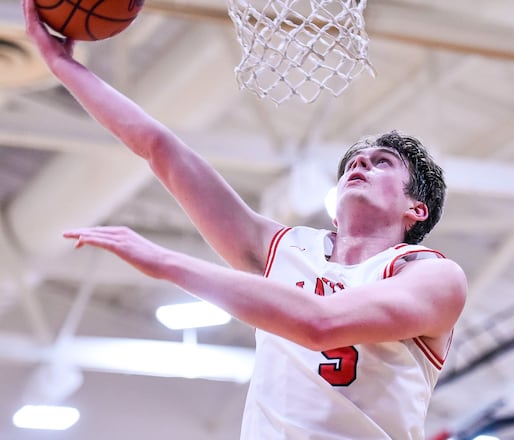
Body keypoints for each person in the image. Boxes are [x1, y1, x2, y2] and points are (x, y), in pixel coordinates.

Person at [22, 0, 467, 438]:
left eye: (382, 162)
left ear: (416, 209)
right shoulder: (287, 248)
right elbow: (160, 149)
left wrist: (165, 262)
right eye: (354, 161)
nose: (361, 164)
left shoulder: (434, 277)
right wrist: (64, 67)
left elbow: (321, 324)